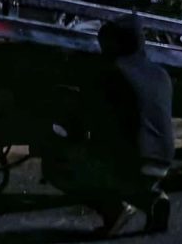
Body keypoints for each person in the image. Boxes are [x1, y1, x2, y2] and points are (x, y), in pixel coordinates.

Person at [43, 14, 173, 236]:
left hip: (131, 159)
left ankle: (114, 210)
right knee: (126, 170)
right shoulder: (161, 74)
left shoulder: (112, 71)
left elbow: (87, 119)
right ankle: (152, 199)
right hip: (163, 161)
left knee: (56, 164)